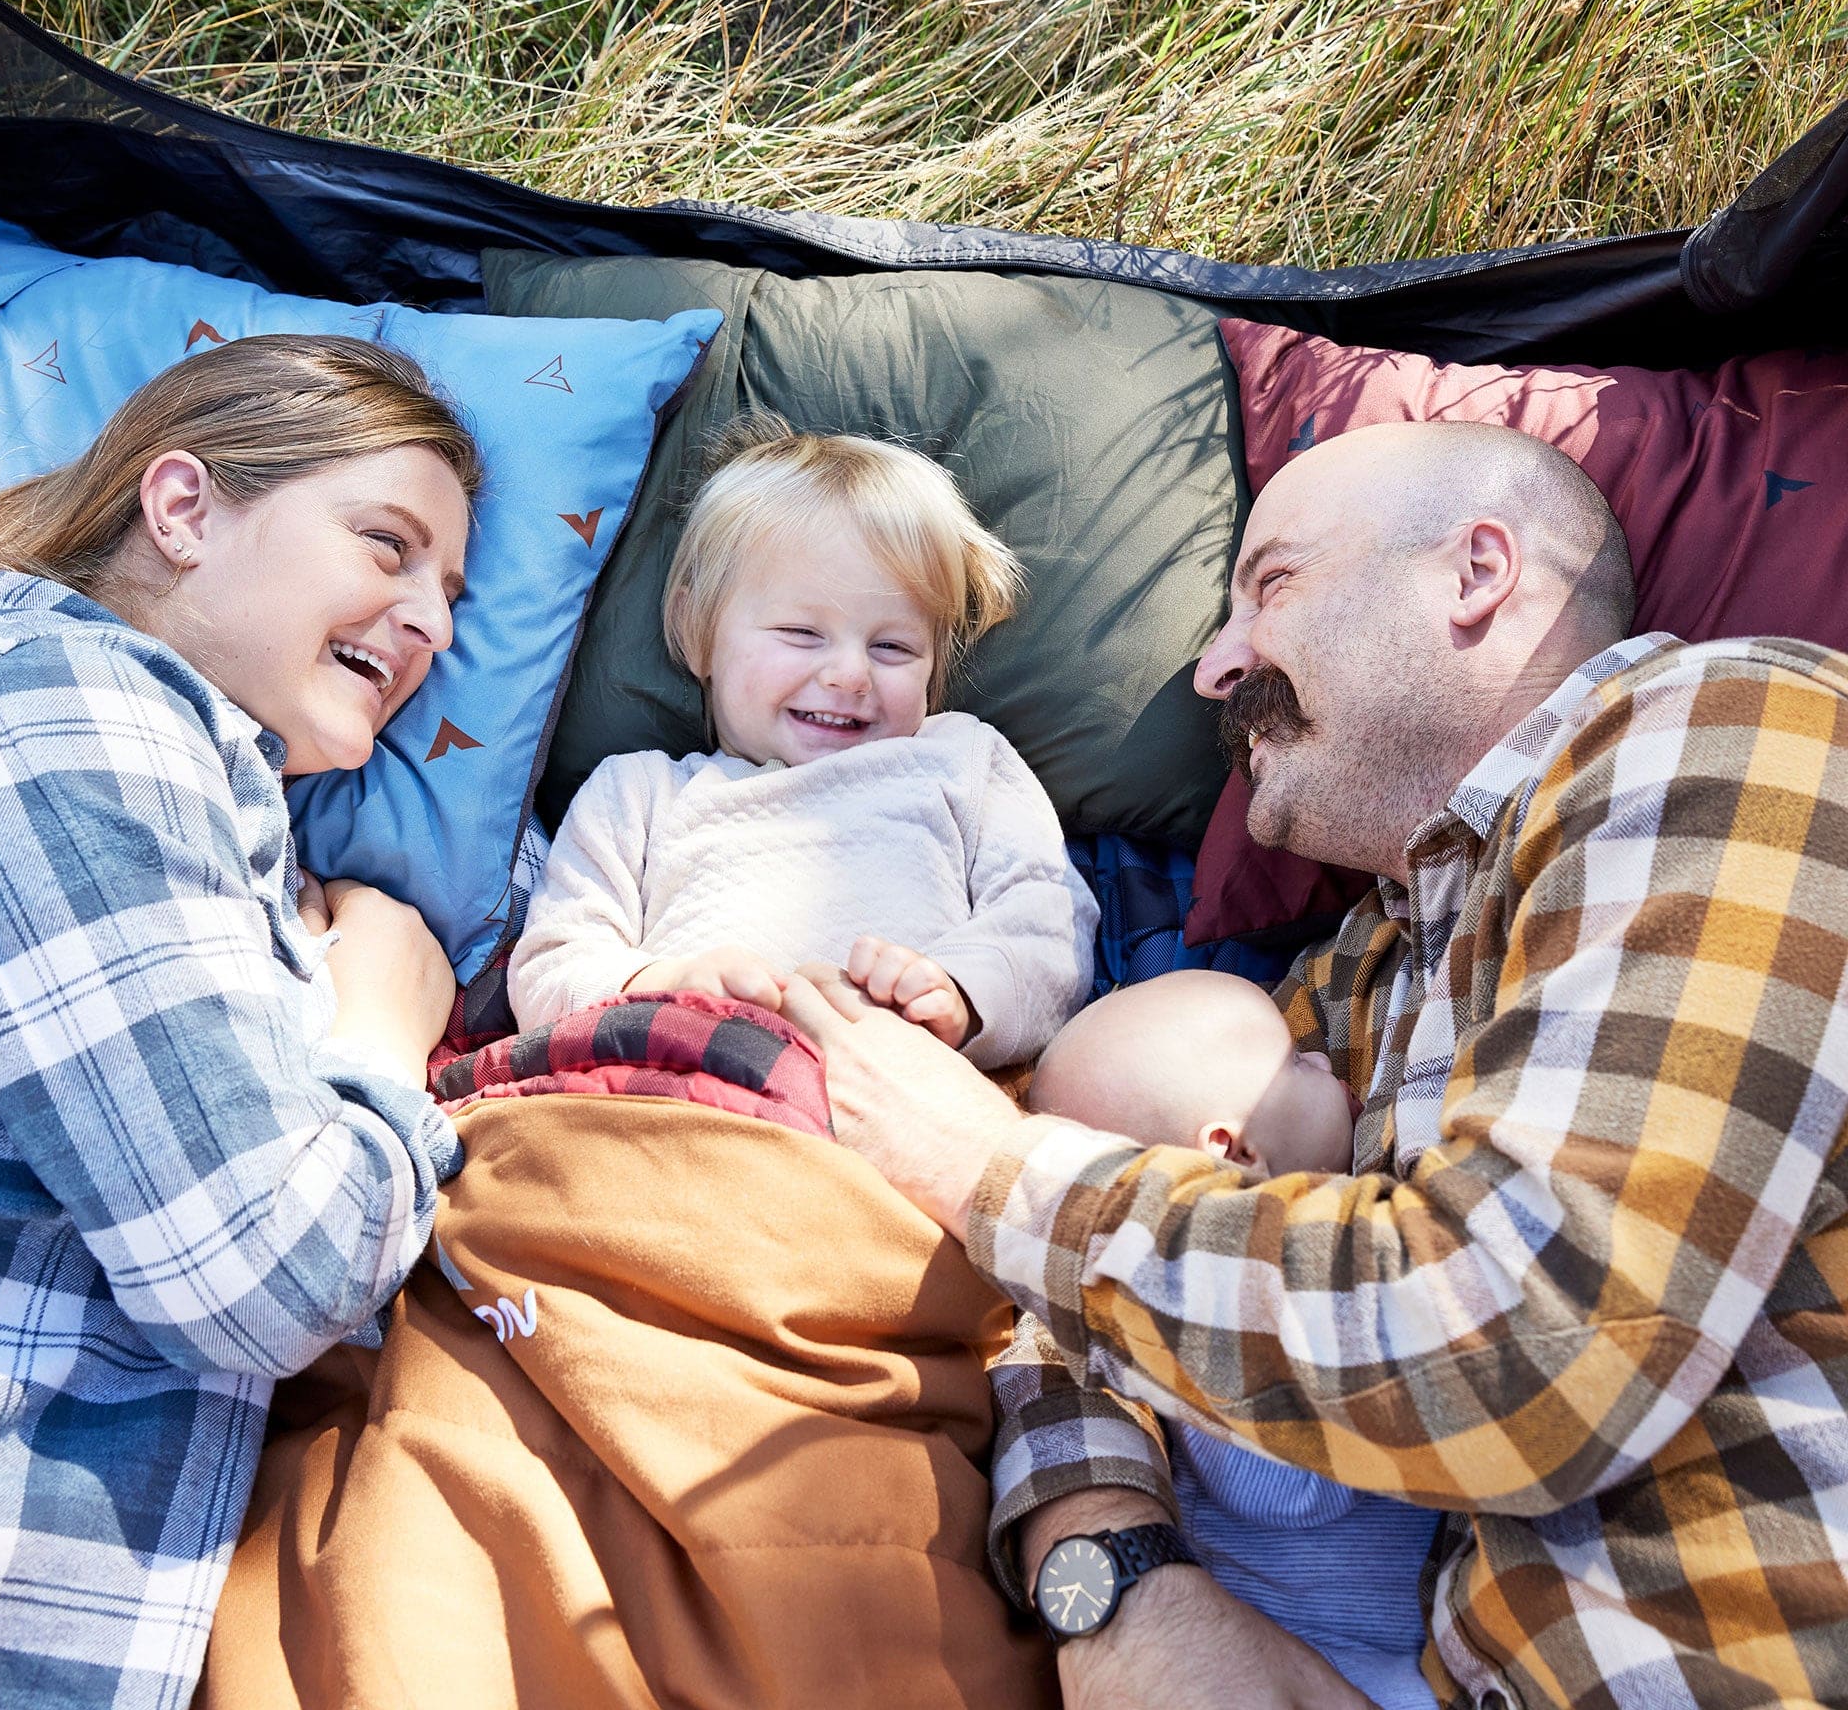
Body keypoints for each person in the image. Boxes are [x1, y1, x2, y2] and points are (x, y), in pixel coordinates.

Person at [780, 417, 1848, 1710]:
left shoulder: (1731, 733)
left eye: (1271, 586)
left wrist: (988, 1166)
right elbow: (1077, 1312)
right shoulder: (1366, 971)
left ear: (1478, 572)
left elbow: (1533, 1345)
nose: (1212, 669)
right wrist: (1114, 1568)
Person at [0, 335, 476, 1710]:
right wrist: (380, 1030)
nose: (430, 621)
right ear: (183, 509)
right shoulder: (61, 710)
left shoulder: (154, 773)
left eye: (450, 594)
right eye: (389, 545)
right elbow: (267, 1273)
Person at [512, 414, 1096, 1067]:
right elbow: (551, 962)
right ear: (697, 628)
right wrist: (661, 988)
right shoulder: (637, 793)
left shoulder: (961, 759)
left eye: (893, 645)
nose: (849, 674)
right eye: (801, 633)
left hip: (900, 1096)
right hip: (685, 1093)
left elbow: (1050, 923)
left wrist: (959, 993)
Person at [1033, 973, 1439, 1709]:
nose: (1324, 1062)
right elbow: (1285, 1487)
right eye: (1294, 1060)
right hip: (1322, 1652)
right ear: (1234, 1148)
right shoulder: (1226, 1312)